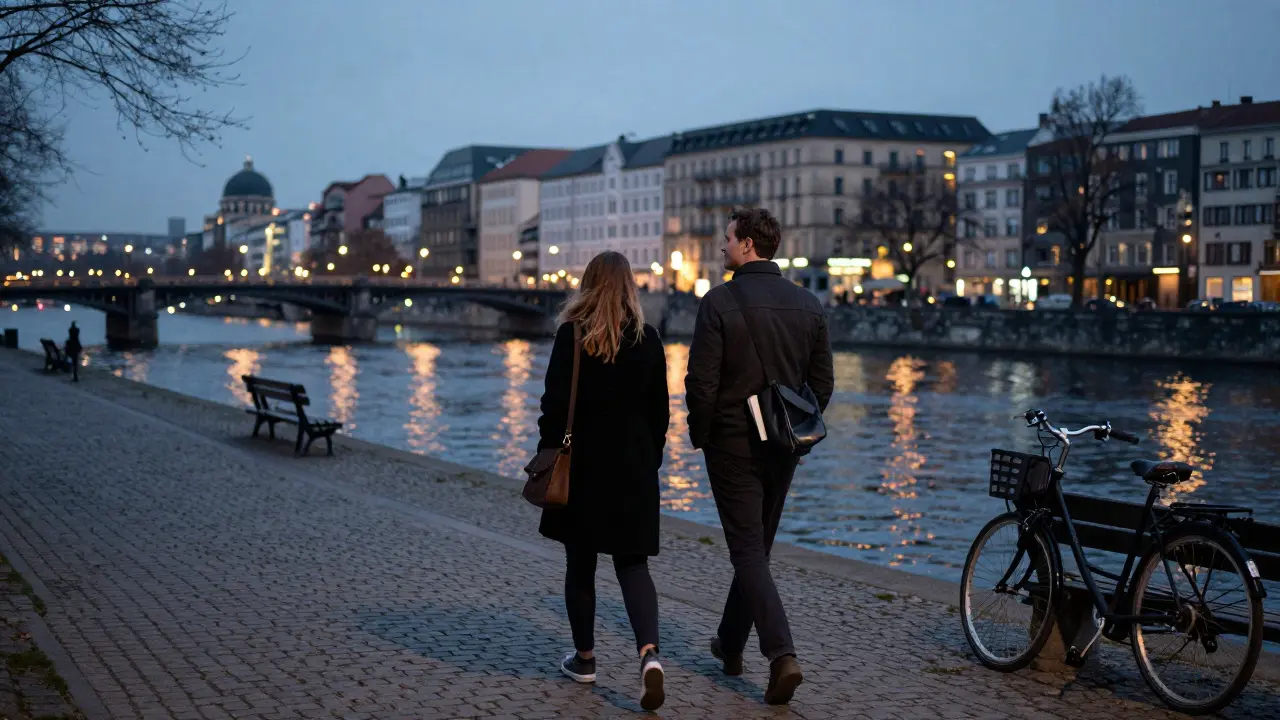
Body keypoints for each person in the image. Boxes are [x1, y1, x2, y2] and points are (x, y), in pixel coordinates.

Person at [684, 207, 834, 705]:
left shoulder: (718, 302)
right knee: (756, 550)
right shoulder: (808, 304)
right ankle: (730, 644)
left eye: (727, 238)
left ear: (748, 244)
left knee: (748, 550)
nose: (721, 246)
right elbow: (822, 385)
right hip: (784, 446)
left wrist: (701, 435)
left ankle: (781, 655)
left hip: (732, 444)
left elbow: (701, 384)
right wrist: (796, 430)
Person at [535, 250, 670, 711]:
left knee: (582, 563)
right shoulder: (649, 340)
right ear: (631, 286)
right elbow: (661, 414)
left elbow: (553, 407)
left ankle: (586, 658)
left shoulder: (572, 337)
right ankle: (650, 656)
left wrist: (549, 447)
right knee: (633, 566)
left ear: (587, 285)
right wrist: (650, 460)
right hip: (634, 470)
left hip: (585, 470)